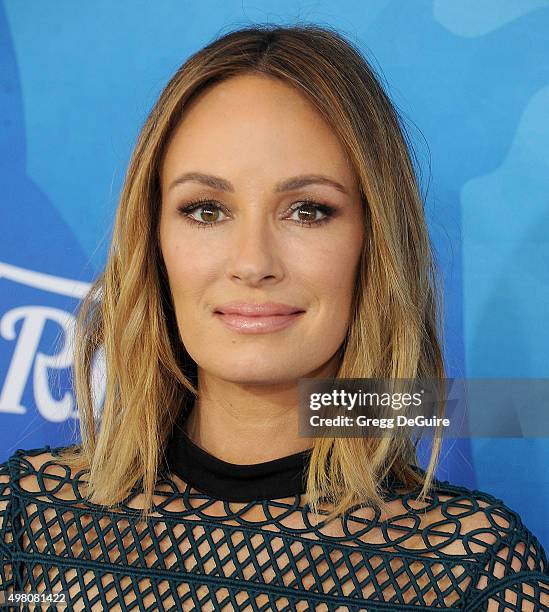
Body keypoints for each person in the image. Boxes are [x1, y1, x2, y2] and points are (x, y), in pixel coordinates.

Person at [1, 24, 548, 611]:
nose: (253, 262)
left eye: (308, 211)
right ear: (152, 239)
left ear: (375, 243)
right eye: (206, 210)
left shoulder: (467, 570)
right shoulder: (25, 525)